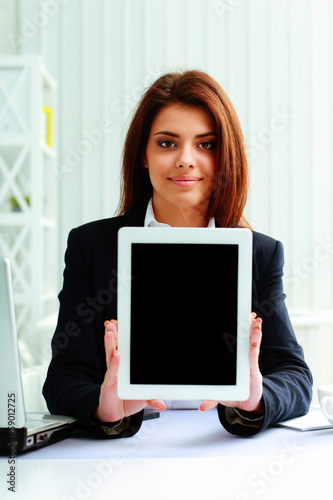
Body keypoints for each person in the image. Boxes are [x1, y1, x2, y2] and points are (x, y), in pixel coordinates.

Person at [43, 70, 312, 438]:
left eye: (206, 144)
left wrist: (256, 400)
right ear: (143, 156)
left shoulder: (259, 253)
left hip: (223, 453)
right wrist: (103, 408)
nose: (186, 159)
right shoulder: (92, 246)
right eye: (167, 143)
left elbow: (295, 378)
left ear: (225, 157)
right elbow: (63, 378)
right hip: (119, 459)